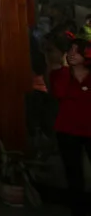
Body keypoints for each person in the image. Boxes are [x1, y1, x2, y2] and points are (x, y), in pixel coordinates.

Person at [50, 37, 91, 216]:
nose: (72, 53)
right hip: (67, 130)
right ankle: (78, 210)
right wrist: (65, 69)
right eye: (71, 49)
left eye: (77, 50)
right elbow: (59, 92)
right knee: (74, 173)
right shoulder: (60, 74)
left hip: (89, 129)